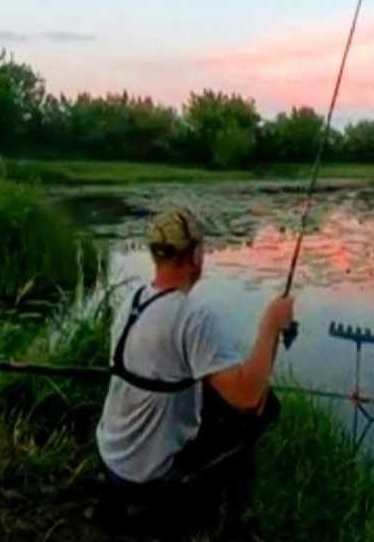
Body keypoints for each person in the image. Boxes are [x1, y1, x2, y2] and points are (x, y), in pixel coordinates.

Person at [96, 206, 293, 532]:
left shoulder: (133, 298)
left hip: (111, 456)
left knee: (217, 394)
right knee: (262, 407)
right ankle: (228, 521)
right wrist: (271, 325)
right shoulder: (193, 316)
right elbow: (247, 395)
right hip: (148, 477)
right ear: (196, 255)